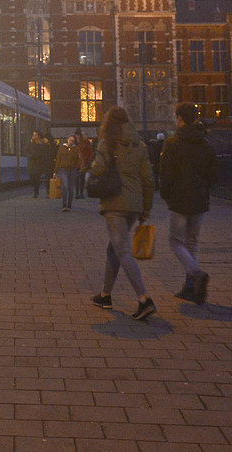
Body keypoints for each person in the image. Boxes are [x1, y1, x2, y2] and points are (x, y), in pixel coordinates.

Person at [89, 105, 156, 321]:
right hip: (134, 205)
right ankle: (105, 295)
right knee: (114, 249)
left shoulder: (107, 143)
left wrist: (90, 169)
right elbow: (148, 180)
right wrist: (146, 208)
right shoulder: (140, 145)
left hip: (115, 203)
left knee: (123, 251)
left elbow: (98, 169)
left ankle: (144, 299)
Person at [159, 102, 217, 304]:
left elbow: (166, 175)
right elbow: (214, 175)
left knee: (175, 241)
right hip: (200, 199)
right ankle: (190, 288)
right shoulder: (205, 143)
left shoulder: (173, 143)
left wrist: (165, 194)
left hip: (179, 199)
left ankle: (196, 273)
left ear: (180, 119)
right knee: (192, 243)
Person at [54, 135, 81, 212]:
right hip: (63, 169)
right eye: (70, 140)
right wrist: (56, 170)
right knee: (65, 186)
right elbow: (58, 158)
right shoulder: (62, 148)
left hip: (73, 170)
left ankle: (69, 205)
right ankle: (64, 205)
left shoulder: (76, 149)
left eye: (72, 141)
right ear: (67, 140)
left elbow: (78, 159)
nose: (71, 142)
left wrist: (77, 167)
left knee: (71, 188)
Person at [26, 132, 50, 198]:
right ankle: (35, 188)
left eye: (35, 135)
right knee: (32, 177)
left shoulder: (42, 144)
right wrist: (29, 156)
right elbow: (27, 150)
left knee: (37, 177)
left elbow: (44, 152)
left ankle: (36, 191)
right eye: (33, 134)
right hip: (31, 162)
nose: (34, 136)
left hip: (38, 163)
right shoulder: (30, 143)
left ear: (38, 136)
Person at [75, 129, 93, 199]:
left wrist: (89, 161)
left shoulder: (86, 143)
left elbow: (90, 153)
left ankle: (81, 193)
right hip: (77, 163)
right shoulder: (78, 143)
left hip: (83, 163)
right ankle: (78, 193)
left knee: (81, 178)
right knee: (77, 178)